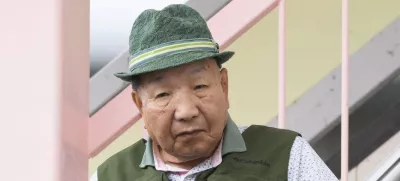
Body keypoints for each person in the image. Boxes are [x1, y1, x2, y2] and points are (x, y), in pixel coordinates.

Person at [90, 4, 338, 181]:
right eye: (163, 94)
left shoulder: (287, 155)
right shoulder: (109, 176)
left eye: (199, 87)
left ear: (224, 86)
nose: (186, 111)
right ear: (139, 105)